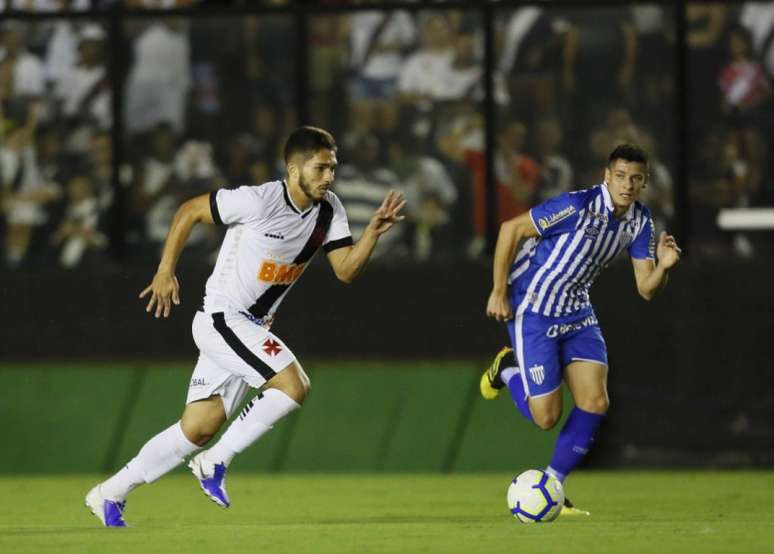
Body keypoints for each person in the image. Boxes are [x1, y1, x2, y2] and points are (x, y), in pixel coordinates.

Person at [85, 126, 406, 527]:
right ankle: (215, 461)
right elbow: (189, 210)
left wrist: (372, 233)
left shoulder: (330, 210)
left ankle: (109, 493)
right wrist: (166, 269)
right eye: (321, 168)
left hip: (249, 328)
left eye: (333, 168)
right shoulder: (258, 200)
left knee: (198, 428)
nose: (329, 176)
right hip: (223, 319)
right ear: (294, 168)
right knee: (293, 385)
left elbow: (345, 271)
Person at [479, 144, 681, 516]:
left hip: (577, 311)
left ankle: (553, 486)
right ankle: (508, 369)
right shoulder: (577, 206)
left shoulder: (640, 221)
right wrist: (498, 289)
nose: (627, 184)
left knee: (595, 402)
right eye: (620, 176)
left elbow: (646, 288)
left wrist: (664, 266)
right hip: (533, 306)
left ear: (644, 182)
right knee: (546, 418)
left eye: (635, 178)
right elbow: (511, 230)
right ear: (607, 176)